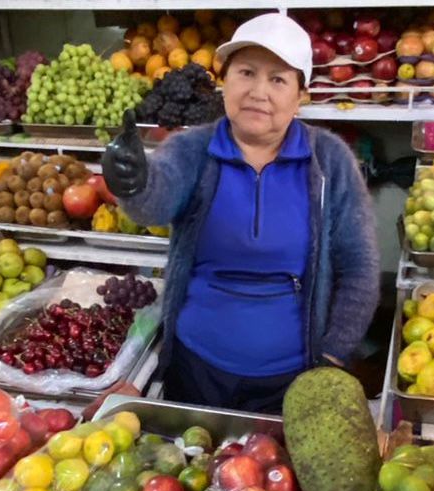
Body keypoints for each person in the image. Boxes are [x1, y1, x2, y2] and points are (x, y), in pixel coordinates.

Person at [100, 13, 380, 414]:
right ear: (225, 81)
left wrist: (333, 354)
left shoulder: (329, 161)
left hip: (294, 378)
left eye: (278, 79)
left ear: (300, 95)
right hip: (197, 367)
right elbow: (155, 202)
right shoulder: (192, 149)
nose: (258, 91)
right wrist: (134, 182)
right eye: (246, 72)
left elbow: (360, 268)